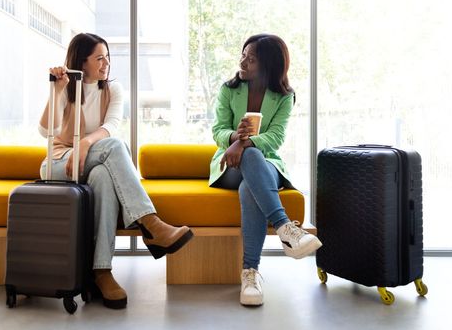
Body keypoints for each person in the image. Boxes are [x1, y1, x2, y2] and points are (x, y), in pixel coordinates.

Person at [39, 33, 193, 309]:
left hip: (91, 162)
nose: (106, 63)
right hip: (60, 164)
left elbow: (110, 125)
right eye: (99, 58)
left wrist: (85, 143)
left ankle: (101, 271)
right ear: (82, 62)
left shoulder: (113, 90)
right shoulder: (67, 86)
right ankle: (152, 224)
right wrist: (56, 90)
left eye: (107, 57)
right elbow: (45, 131)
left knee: (103, 177)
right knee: (116, 146)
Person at [209, 34, 322, 306]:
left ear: (269, 65)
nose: (243, 61)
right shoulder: (229, 89)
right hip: (230, 166)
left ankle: (250, 273)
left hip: (265, 164)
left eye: (252, 58)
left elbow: (276, 137)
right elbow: (217, 130)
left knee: (251, 184)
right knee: (249, 158)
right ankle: (285, 227)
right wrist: (235, 139)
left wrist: (246, 144)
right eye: (243, 54)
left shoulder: (284, 97)